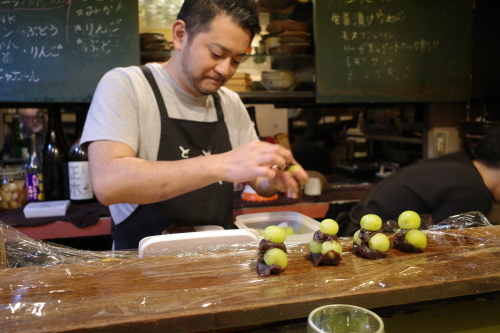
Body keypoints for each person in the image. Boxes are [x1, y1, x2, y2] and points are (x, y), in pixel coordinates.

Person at [81, 0, 309, 250]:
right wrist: (220, 164)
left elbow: (258, 182)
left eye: (236, 60)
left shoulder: (230, 103)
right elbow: (108, 183)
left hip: (216, 265)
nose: (225, 70)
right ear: (180, 35)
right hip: (141, 270)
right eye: (216, 54)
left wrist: (272, 180)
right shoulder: (127, 86)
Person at [337, 125, 500, 237]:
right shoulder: (473, 193)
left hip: (358, 231)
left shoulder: (460, 164)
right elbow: (441, 250)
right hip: (368, 246)